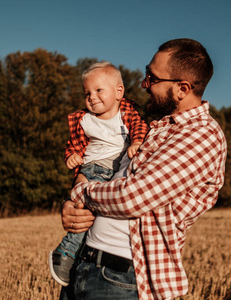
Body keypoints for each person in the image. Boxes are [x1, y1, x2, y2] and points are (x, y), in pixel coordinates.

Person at [60, 38, 227, 299]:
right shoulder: (156, 129)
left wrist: (81, 193)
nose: (143, 84)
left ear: (182, 88)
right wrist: (72, 207)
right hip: (83, 266)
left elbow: (131, 198)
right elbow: (106, 177)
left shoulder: (201, 135)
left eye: (152, 77)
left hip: (118, 279)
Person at [49, 61, 149, 287]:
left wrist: (137, 142)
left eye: (98, 90)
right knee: (85, 212)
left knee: (91, 212)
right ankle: (65, 251)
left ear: (119, 92)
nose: (92, 97)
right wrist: (71, 157)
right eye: (87, 93)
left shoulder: (127, 114)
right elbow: (73, 145)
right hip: (94, 168)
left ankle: (70, 253)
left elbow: (140, 127)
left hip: (114, 172)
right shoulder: (84, 120)